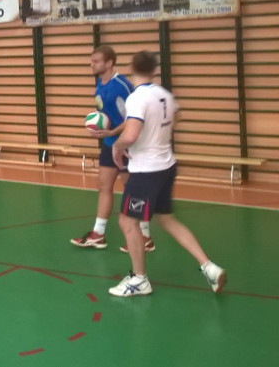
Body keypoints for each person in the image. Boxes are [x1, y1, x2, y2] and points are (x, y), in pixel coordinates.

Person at [108, 51, 226, 297]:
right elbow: (176, 119)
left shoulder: (137, 97)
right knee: (167, 219)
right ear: (154, 69)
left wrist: (117, 147)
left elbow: (131, 135)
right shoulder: (165, 95)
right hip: (167, 166)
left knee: (128, 222)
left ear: (132, 67)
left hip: (146, 171)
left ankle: (139, 280)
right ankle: (209, 267)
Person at [71, 46, 154, 251]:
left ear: (109, 63)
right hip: (110, 144)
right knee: (103, 185)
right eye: (92, 61)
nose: (92, 65)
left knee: (133, 191)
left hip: (128, 144)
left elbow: (133, 118)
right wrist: (100, 128)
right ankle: (98, 234)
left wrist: (112, 132)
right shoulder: (100, 83)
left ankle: (145, 237)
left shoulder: (121, 86)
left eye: (96, 61)